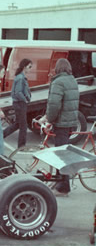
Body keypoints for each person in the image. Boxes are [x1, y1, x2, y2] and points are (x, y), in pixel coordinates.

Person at [43, 58, 79, 197]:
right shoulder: (72, 80)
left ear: (57, 68)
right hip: (70, 122)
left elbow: (54, 104)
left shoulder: (58, 82)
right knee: (61, 153)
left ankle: (64, 187)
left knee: (61, 156)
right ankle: (59, 182)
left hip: (61, 123)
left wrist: (50, 120)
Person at [3, 58, 32, 148]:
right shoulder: (20, 78)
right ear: (24, 67)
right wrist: (25, 99)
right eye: (29, 67)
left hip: (19, 103)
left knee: (18, 124)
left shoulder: (21, 77)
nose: (30, 69)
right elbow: (18, 92)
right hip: (20, 104)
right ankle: (22, 145)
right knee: (23, 126)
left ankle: (0, 135)